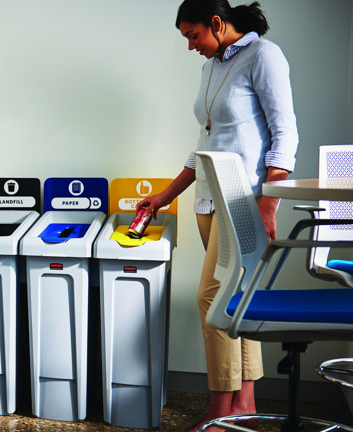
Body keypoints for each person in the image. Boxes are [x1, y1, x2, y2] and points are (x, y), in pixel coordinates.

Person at [137, 1, 299, 431]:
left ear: (216, 22)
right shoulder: (211, 67)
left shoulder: (263, 55)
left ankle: (221, 409)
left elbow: (285, 134)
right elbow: (205, 142)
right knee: (238, 299)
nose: (191, 46)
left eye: (193, 36)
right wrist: (164, 196)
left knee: (212, 299)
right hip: (209, 199)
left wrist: (270, 204)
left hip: (244, 199)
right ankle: (245, 403)